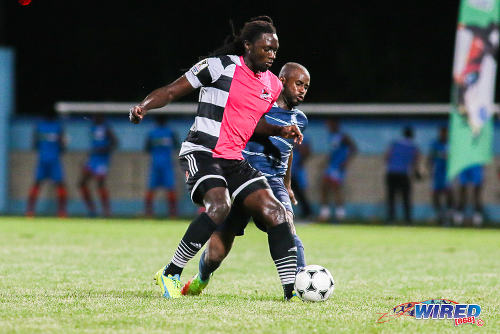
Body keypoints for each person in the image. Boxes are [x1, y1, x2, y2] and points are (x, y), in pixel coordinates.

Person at [129, 16, 303, 300]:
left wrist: (279, 129)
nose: (272, 55)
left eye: (275, 50)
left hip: (234, 159)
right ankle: (171, 272)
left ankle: (290, 292)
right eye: (265, 48)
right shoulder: (218, 67)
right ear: (247, 45)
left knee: (276, 212)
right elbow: (172, 90)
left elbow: (250, 122)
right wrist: (143, 107)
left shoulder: (272, 84)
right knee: (219, 206)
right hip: (202, 151)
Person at [180, 62, 310, 298]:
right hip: (242, 177)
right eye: (298, 84)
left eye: (306, 87)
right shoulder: (260, 106)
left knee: (286, 224)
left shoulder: (300, 119)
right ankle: (202, 278)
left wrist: (287, 185)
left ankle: (298, 283)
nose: (302, 90)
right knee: (216, 253)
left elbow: (289, 150)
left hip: (273, 182)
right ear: (281, 81)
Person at [26, 114, 67, 217]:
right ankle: (61, 212)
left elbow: (34, 144)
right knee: (57, 184)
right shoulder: (57, 127)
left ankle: (30, 211)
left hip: (46, 159)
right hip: (51, 159)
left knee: (39, 183)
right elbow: (63, 145)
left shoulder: (41, 126)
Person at [318, 118, 357, 222]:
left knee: (336, 189)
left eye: (330, 125)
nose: (328, 127)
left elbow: (354, 148)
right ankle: (325, 214)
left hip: (338, 167)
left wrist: (346, 162)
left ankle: (340, 215)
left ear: (335, 124)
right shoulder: (331, 137)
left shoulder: (343, 136)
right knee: (324, 187)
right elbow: (334, 151)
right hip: (331, 166)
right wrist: (326, 161)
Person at [78, 114, 118, 217]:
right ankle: (92, 210)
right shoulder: (92, 128)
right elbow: (94, 144)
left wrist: (104, 149)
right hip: (93, 159)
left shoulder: (106, 128)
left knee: (100, 184)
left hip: (102, 160)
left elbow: (115, 142)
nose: (94, 118)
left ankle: (107, 212)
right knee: (82, 183)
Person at [384, 126, 421, 224]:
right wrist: (417, 173)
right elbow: (416, 161)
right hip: (404, 174)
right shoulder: (414, 147)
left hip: (391, 172)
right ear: (412, 135)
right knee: (406, 197)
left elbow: (387, 156)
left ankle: (391, 219)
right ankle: (408, 220)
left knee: (391, 197)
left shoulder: (394, 144)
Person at [144, 115, 178, 217]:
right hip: (157, 164)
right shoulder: (152, 133)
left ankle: (172, 214)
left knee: (170, 189)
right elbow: (147, 147)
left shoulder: (170, 132)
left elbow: (177, 145)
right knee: (151, 188)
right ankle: (149, 213)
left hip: (166, 165)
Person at [427, 126, 454, 225]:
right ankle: (439, 215)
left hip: (447, 173)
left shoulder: (451, 145)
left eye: (445, 133)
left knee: (449, 193)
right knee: (435, 194)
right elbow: (430, 158)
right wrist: (429, 170)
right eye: (442, 133)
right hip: (437, 173)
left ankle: (449, 215)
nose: (443, 135)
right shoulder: (435, 144)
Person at [290, 138, 313, 219]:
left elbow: (306, 151)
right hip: (289, 170)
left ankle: (307, 213)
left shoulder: (301, 137)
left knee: (300, 193)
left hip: (295, 171)